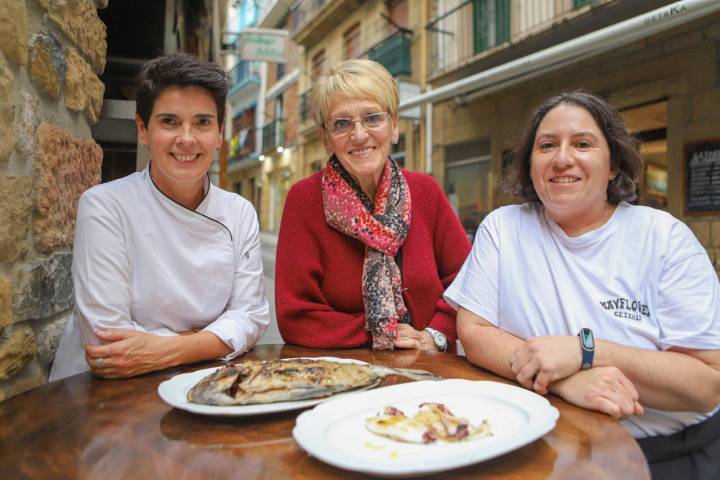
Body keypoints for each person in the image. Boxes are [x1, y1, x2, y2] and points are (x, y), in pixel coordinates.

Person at [445, 91, 720, 478]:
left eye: (583, 144)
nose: (562, 159)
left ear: (613, 165)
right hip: (540, 448)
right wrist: (565, 381)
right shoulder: (504, 228)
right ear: (530, 163)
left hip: (665, 454)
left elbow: (707, 383)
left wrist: (585, 350)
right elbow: (473, 333)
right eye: (547, 145)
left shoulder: (664, 238)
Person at [50, 53, 269, 380]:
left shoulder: (239, 212)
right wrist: (212, 339)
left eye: (202, 122)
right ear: (143, 129)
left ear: (220, 133)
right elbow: (108, 337)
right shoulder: (105, 206)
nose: (187, 138)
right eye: (169, 121)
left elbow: (250, 316)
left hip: (201, 380)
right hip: (107, 394)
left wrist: (167, 349)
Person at [275, 59, 470, 353]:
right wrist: (384, 334)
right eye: (342, 123)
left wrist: (436, 334)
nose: (359, 135)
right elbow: (297, 316)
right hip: (344, 373)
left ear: (393, 126)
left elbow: (469, 280)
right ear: (326, 138)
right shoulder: (304, 199)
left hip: (431, 370)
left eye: (372, 118)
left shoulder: (425, 191)